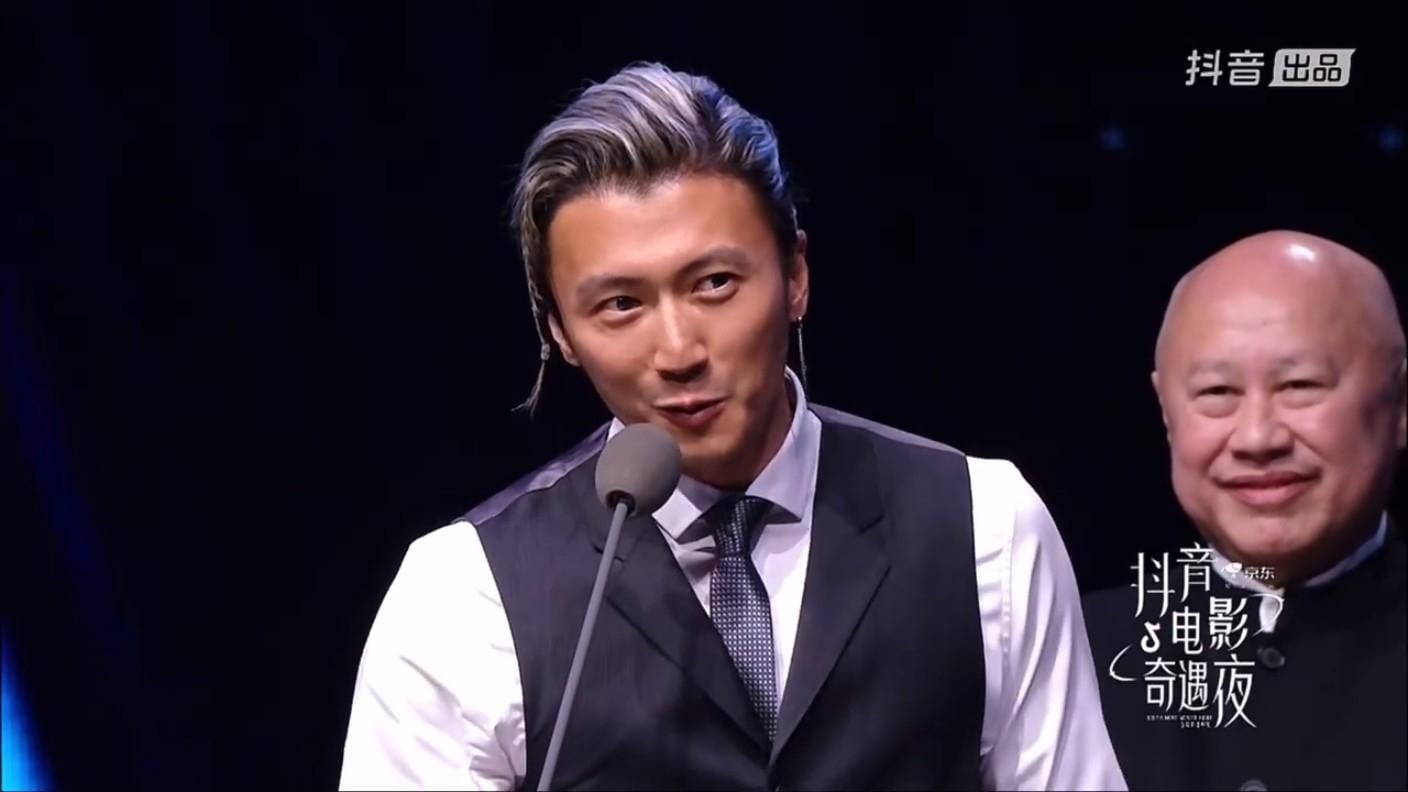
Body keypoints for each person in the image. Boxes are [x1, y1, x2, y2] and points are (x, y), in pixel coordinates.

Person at [338, 61, 1126, 791]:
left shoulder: (984, 526)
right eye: (621, 305)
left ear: (795, 276)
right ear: (559, 332)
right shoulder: (461, 597)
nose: (678, 351)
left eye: (715, 283)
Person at [1082, 230, 1408, 791]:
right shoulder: (1072, 654)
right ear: (1166, 413)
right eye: (1217, 393)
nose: (1258, 438)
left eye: (1300, 385)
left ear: (1399, 403)